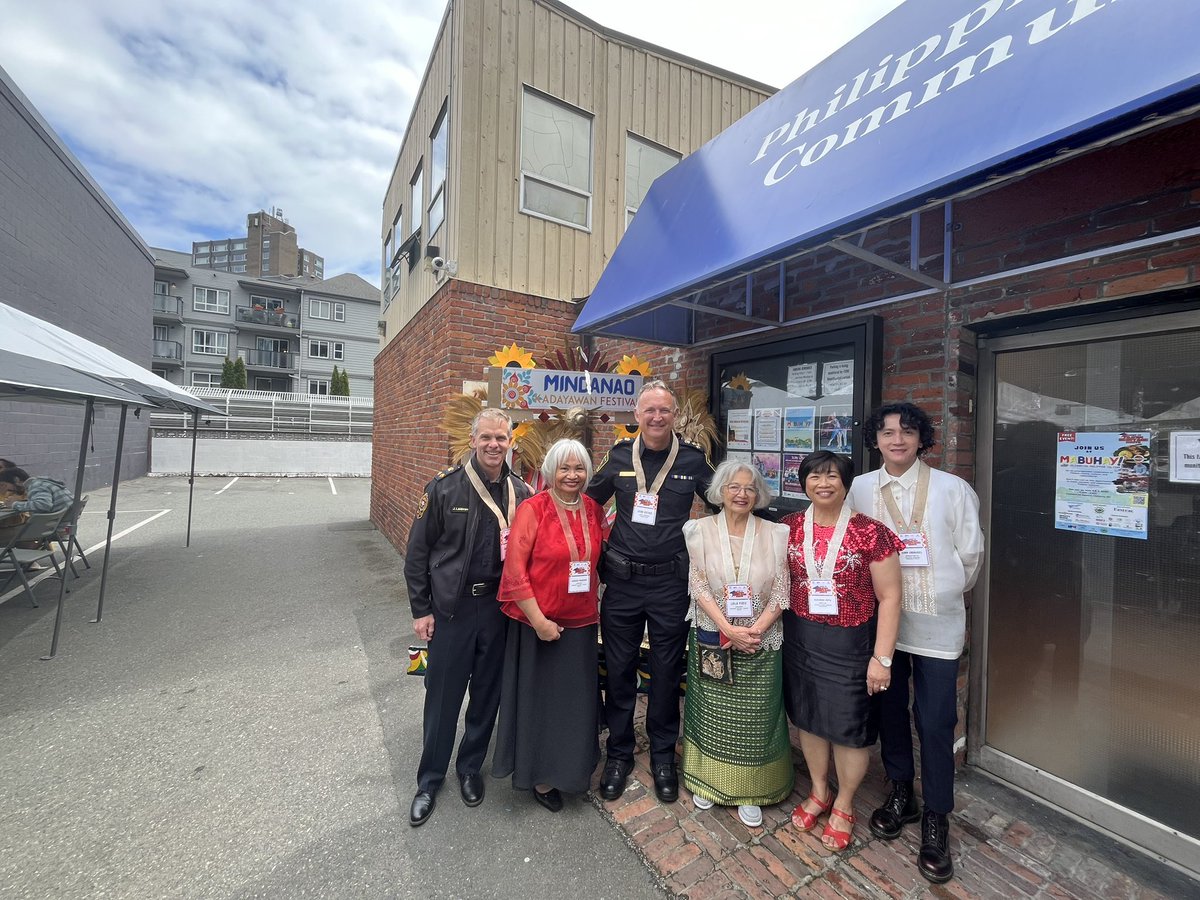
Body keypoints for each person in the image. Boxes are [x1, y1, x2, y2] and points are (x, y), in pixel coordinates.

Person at [847, 402, 984, 884]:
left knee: (936, 718)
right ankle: (901, 790)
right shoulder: (861, 488)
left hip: (937, 628)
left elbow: (970, 557)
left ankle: (937, 814)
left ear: (921, 438)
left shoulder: (953, 489)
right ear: (876, 440)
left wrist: (937, 592)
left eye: (907, 431)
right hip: (882, 627)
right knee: (888, 711)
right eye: (887, 433)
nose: (897, 439)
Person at [403, 408, 533, 827]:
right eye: (487, 438)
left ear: (510, 441)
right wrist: (421, 609)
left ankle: (470, 768)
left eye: (501, 438)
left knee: (486, 697)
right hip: (452, 610)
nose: (494, 445)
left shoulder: (522, 492)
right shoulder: (444, 488)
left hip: (499, 611)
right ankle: (429, 779)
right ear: (473, 441)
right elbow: (417, 554)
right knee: (442, 697)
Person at [587, 380, 715, 804]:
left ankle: (663, 755)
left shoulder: (694, 459)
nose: (657, 417)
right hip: (622, 584)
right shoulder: (619, 456)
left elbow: (726, 503)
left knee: (665, 672)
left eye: (664, 410)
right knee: (619, 670)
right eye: (649, 411)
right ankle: (619, 753)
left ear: (673, 415)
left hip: (670, 584)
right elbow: (587, 502)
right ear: (637, 416)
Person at [783, 451, 903, 851]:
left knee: (850, 729)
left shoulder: (871, 533)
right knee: (810, 718)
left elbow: (890, 598)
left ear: (846, 483)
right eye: (815, 476)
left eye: (832, 476)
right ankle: (819, 790)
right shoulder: (789, 528)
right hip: (801, 639)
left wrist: (882, 658)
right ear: (803, 483)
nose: (823, 483)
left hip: (852, 643)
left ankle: (846, 802)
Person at [492, 439, 606, 812]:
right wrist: (540, 622)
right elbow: (514, 572)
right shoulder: (532, 508)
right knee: (541, 704)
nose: (572, 476)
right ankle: (540, 776)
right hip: (538, 625)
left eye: (579, 469)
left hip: (582, 624)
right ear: (550, 472)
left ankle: (572, 771)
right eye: (564, 468)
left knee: (574, 704)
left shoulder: (592, 509)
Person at [680, 459, 792, 828]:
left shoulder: (776, 534)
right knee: (711, 711)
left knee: (756, 716)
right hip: (714, 634)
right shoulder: (697, 530)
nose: (742, 494)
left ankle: (753, 789)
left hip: (761, 640)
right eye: (734, 487)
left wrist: (754, 630)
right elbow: (697, 585)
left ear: (758, 495)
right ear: (720, 492)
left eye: (749, 488)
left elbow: (781, 590)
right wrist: (727, 627)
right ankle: (708, 781)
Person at [0, 467, 73, 514]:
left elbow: (44, 505)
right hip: (63, 522)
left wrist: (14, 504)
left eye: (4, 485)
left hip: (54, 527)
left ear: (17, 480)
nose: (6, 490)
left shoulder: (37, 486)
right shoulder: (40, 482)